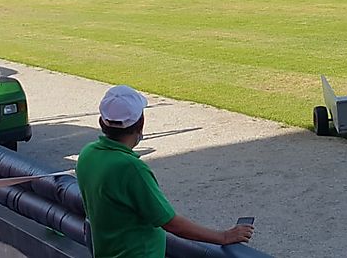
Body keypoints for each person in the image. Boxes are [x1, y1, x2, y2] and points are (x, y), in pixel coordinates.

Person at [76, 85, 255, 258]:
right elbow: (171, 223)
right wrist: (224, 237)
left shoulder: (87, 154)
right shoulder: (130, 167)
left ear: (102, 122)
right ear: (140, 124)